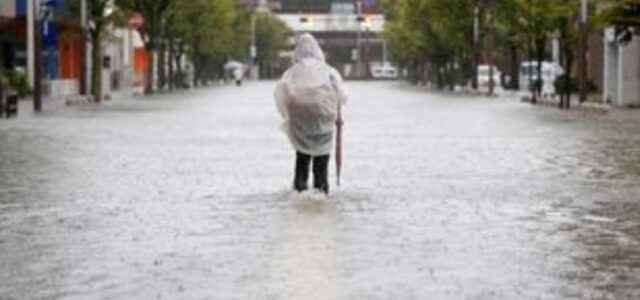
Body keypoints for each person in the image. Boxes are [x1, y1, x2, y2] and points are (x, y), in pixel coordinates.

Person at [274, 33, 347, 194]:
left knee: (302, 157)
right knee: (322, 160)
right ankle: (321, 192)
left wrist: (288, 114)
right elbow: (341, 94)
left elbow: (281, 92)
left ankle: (300, 189)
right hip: (324, 120)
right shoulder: (328, 70)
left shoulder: (293, 71)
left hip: (300, 122)